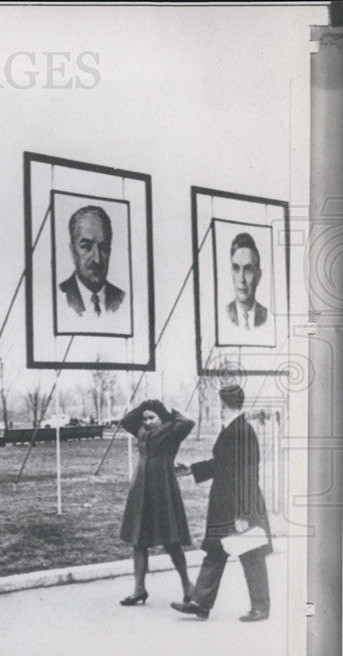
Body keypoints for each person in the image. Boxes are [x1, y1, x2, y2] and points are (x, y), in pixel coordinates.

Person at [172, 384, 272, 622]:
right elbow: (222, 464)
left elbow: (247, 475)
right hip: (225, 503)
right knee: (215, 550)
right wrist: (191, 470)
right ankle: (201, 603)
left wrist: (243, 514)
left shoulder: (241, 431)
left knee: (251, 553)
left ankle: (261, 607)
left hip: (238, 505)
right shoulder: (234, 429)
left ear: (224, 405)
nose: (218, 409)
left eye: (219, 404)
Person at [117, 400, 195, 606]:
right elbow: (126, 420)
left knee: (172, 540)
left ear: (162, 418)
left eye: (152, 417)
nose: (147, 422)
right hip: (141, 491)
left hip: (163, 491)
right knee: (138, 541)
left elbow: (187, 422)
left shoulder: (172, 432)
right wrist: (145, 405)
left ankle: (188, 586)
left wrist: (170, 410)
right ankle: (139, 589)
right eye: (145, 418)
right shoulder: (141, 431)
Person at [58, 206, 126, 325]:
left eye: (103, 248)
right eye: (86, 246)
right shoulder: (59, 297)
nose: (97, 259)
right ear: (73, 250)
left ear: (110, 250)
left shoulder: (122, 299)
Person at [224, 232, 268, 331]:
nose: (241, 279)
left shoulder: (268, 318)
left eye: (248, 270)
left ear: (258, 276)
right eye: (236, 268)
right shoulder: (222, 316)